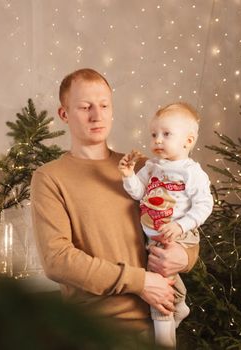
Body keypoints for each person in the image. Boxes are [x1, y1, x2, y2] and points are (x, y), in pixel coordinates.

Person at [30, 68, 200, 342]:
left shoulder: (145, 169)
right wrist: (140, 282)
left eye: (104, 105)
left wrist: (185, 256)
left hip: (157, 326)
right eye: (86, 107)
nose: (97, 115)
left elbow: (183, 225)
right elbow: (57, 260)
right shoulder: (50, 178)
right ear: (64, 114)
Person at [118, 102, 213, 347]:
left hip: (179, 235)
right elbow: (138, 194)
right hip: (156, 236)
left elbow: (204, 205)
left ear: (188, 141)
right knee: (168, 282)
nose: (158, 140)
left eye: (166, 134)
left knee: (159, 284)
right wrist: (129, 176)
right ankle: (179, 307)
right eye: (154, 134)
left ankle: (164, 340)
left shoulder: (191, 172)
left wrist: (181, 226)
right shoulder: (152, 167)